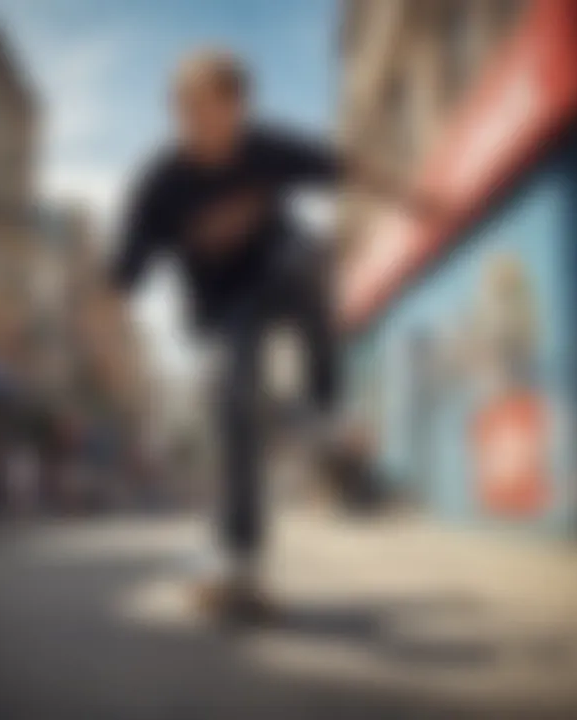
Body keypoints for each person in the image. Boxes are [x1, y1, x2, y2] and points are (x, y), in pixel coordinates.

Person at [99, 49, 437, 620]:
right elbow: (121, 278)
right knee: (233, 398)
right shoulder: (160, 183)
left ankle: (323, 398)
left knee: (308, 256)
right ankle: (240, 557)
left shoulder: (268, 148)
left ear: (238, 109)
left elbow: (348, 166)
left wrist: (417, 199)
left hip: (280, 275)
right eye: (184, 111)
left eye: (209, 110)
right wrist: (109, 314)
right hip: (223, 314)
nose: (196, 125)